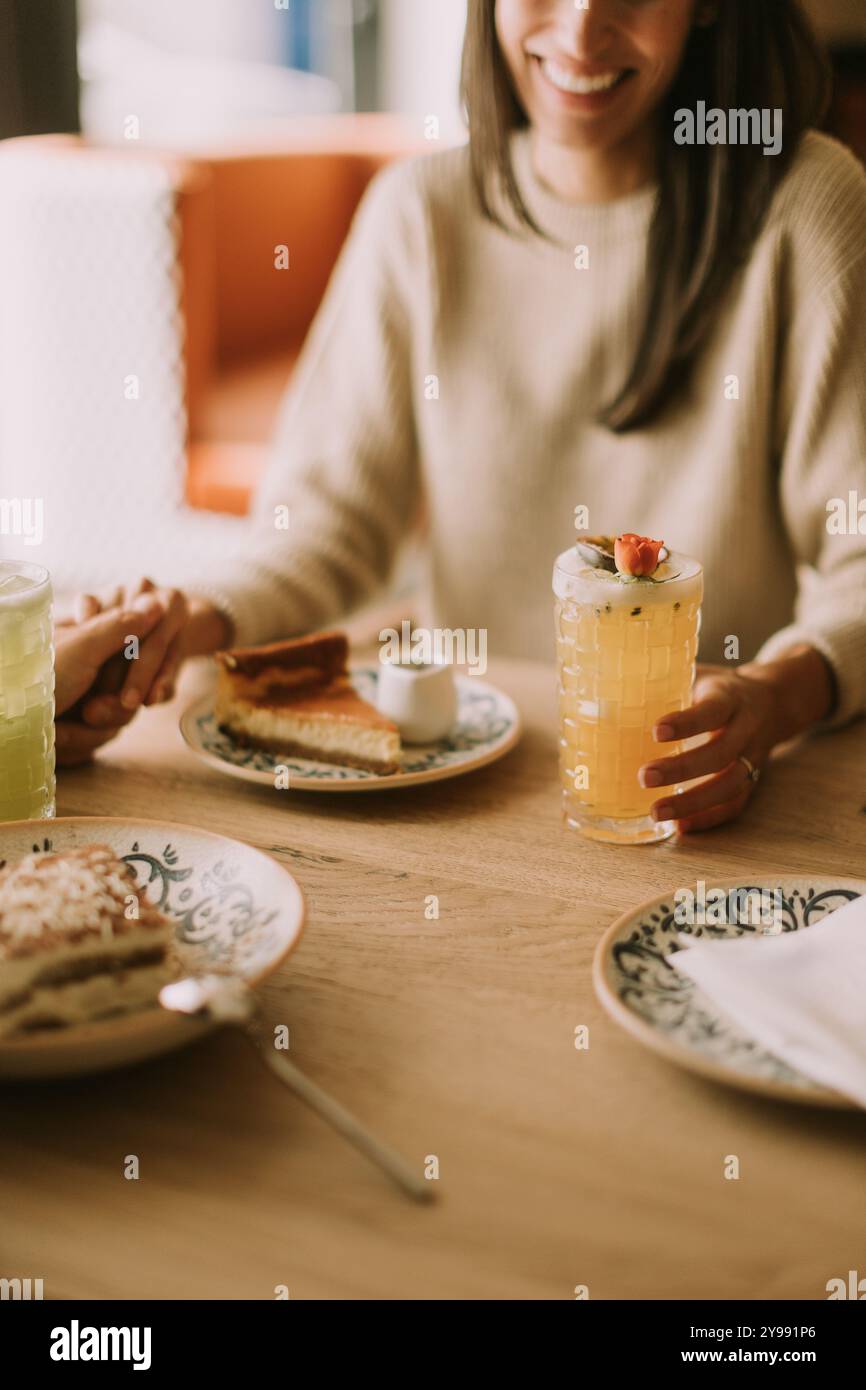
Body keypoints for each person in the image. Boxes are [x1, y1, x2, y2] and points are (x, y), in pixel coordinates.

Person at [61, 0, 866, 832]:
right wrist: (172, 626)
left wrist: (775, 698)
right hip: (458, 784)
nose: (582, 31)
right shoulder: (417, 211)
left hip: (696, 801)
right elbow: (323, 530)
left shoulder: (807, 205)